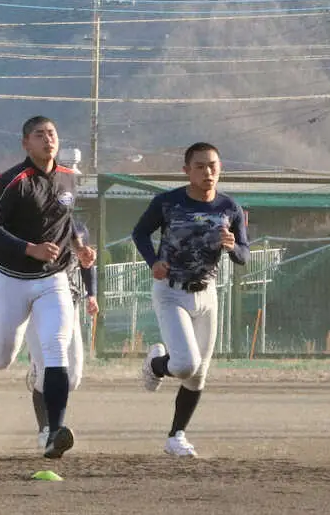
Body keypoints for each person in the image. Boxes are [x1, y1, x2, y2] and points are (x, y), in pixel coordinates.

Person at [0, 116, 96, 459]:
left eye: (52, 132)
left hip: (54, 279)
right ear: (25, 143)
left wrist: (78, 247)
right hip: (12, 280)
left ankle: (54, 431)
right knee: (2, 357)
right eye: (39, 134)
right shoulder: (13, 181)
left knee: (55, 350)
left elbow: (66, 224)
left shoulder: (68, 178)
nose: (48, 138)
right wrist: (28, 248)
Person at [132, 141, 249, 457]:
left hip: (207, 294)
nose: (208, 172)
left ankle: (176, 436)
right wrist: (152, 261)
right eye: (200, 166)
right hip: (171, 291)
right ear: (186, 171)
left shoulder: (230, 208)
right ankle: (157, 364)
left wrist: (232, 246)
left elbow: (244, 255)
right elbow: (140, 233)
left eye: (213, 165)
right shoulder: (168, 202)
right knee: (184, 364)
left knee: (197, 376)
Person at [26, 218, 97, 450]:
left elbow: (86, 264)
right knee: (46, 374)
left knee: (73, 377)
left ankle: (39, 374)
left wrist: (91, 295)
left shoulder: (78, 229)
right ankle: (46, 428)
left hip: (71, 305)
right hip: (38, 306)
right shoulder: (32, 226)